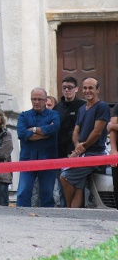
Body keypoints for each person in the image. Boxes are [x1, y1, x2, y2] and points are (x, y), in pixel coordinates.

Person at [60, 78, 110, 208]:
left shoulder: (102, 107)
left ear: (97, 90)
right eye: (85, 88)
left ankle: (69, 208)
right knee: (78, 186)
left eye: (91, 88)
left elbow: (97, 132)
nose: (87, 91)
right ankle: (75, 214)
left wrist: (83, 147)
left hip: (95, 154)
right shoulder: (82, 109)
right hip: (82, 153)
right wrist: (77, 146)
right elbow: (76, 130)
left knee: (65, 177)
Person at [16, 87, 60, 207]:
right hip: (27, 158)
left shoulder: (54, 115)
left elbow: (54, 129)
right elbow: (21, 134)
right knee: (23, 192)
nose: (36, 102)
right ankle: (20, 217)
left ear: (46, 100)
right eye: (34, 99)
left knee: (47, 193)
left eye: (40, 99)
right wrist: (45, 134)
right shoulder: (24, 116)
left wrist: (33, 130)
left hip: (48, 158)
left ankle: (47, 220)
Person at [53, 77, 85, 206]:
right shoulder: (57, 108)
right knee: (61, 186)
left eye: (70, 87)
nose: (67, 90)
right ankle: (65, 211)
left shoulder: (82, 106)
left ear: (76, 89)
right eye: (64, 88)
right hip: (59, 153)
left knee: (77, 185)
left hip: (77, 152)